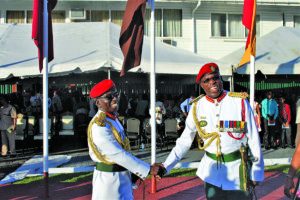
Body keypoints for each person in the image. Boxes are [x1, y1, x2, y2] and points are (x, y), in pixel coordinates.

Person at [158, 63, 264, 199]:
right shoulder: (197, 107)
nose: (212, 82)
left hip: (238, 171)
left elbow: (254, 138)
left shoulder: (239, 102)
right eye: (207, 80)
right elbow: (184, 142)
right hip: (212, 174)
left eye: (215, 78)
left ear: (220, 79)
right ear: (201, 85)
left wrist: (256, 172)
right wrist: (166, 165)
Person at [88, 79, 165, 200]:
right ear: (98, 102)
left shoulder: (113, 118)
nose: (115, 99)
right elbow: (117, 154)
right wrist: (148, 169)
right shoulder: (99, 125)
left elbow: (125, 147)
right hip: (108, 181)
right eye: (109, 97)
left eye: (116, 95)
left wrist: (133, 171)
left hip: (123, 176)